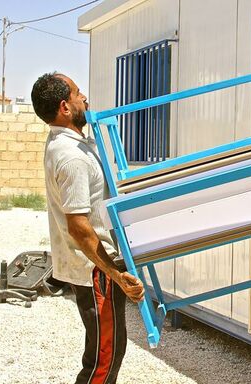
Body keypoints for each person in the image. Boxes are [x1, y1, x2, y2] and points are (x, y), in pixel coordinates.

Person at [31, 72, 145, 384]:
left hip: (93, 266)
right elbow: (79, 227)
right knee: (104, 359)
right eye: (79, 94)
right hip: (95, 269)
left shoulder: (72, 144)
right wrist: (115, 274)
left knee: (106, 352)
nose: (86, 99)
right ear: (65, 108)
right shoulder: (71, 156)